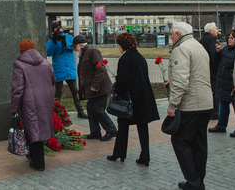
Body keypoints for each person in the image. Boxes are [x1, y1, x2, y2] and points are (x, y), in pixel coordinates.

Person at [165, 22, 213, 190]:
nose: (170, 37)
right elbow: (195, 73)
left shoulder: (181, 49)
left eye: (171, 34)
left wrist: (173, 104)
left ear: (178, 34)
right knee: (199, 143)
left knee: (180, 140)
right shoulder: (198, 46)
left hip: (191, 104)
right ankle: (198, 179)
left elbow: (181, 81)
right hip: (205, 102)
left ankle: (193, 181)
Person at [107, 32, 160, 166]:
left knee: (123, 125)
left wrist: (116, 91)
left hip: (129, 99)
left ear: (123, 45)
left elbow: (123, 81)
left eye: (118, 44)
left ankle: (119, 153)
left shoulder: (125, 59)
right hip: (142, 97)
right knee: (143, 127)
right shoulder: (140, 57)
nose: (118, 47)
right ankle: (145, 156)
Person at [10, 39, 55, 171]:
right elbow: (53, 80)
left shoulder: (19, 65)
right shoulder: (45, 62)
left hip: (30, 101)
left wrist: (14, 108)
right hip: (46, 99)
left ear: (21, 51)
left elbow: (17, 89)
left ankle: (39, 164)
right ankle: (32, 155)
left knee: (33, 129)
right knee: (39, 128)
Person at [73, 35, 117, 141]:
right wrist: (81, 92)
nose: (74, 49)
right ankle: (95, 132)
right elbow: (83, 76)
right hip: (92, 90)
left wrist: (95, 86)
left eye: (75, 46)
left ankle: (111, 130)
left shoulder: (92, 52)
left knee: (98, 109)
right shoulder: (83, 55)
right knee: (91, 109)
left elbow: (100, 69)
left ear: (81, 45)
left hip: (99, 89)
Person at [208, 29, 235, 137]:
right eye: (228, 38)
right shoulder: (225, 50)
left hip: (233, 84)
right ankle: (221, 125)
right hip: (223, 83)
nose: (229, 40)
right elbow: (216, 63)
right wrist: (218, 53)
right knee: (223, 105)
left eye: (232, 38)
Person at [46, 21, 88, 118]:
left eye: (59, 28)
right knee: (58, 92)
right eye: (56, 29)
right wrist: (54, 41)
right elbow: (48, 53)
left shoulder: (69, 37)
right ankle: (56, 112)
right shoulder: (51, 40)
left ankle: (80, 111)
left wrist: (65, 42)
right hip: (59, 70)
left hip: (70, 69)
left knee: (75, 91)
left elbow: (74, 47)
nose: (59, 31)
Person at [199, 22, 222, 119]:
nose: (217, 31)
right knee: (215, 91)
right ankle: (215, 112)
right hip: (212, 71)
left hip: (203, 69)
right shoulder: (212, 40)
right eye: (216, 28)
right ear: (210, 30)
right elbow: (213, 55)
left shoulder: (201, 40)